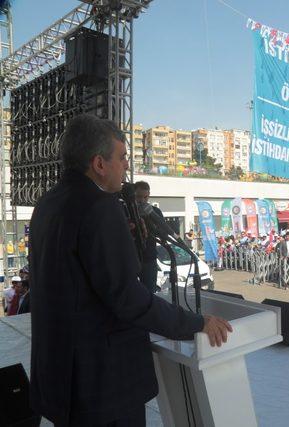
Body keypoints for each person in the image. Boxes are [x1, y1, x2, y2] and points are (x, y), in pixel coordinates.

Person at [28, 114, 233, 427]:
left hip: (61, 376)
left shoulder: (48, 203)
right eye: (122, 157)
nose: (126, 166)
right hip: (102, 386)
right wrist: (194, 323)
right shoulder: (99, 207)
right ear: (99, 163)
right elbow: (127, 298)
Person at [134, 181, 163, 293]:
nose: (142, 200)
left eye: (145, 197)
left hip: (149, 258)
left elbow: (161, 232)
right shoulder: (126, 211)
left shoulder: (155, 212)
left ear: (149, 195)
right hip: (132, 258)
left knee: (150, 292)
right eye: (138, 197)